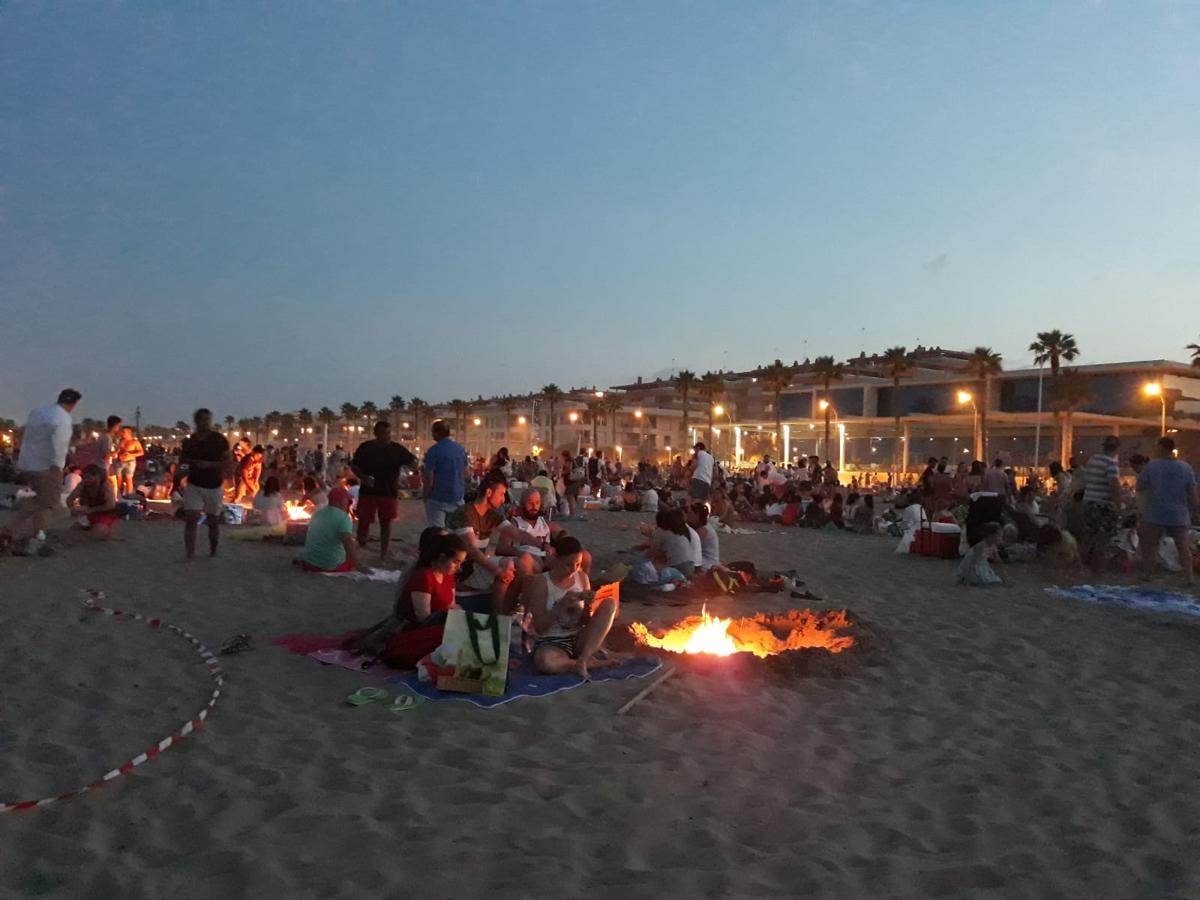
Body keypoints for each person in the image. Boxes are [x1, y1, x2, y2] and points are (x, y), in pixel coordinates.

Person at [523, 536, 619, 679]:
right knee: (545, 662)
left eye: (578, 564)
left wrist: (587, 606)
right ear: (556, 559)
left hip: (578, 638)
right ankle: (586, 664)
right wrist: (560, 607)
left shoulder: (582, 578)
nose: (573, 569)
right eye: (568, 565)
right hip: (552, 642)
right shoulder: (542, 583)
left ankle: (584, 658)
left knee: (610, 603)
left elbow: (584, 622)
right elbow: (539, 628)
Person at [5, 388, 81, 556]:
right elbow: (59, 444)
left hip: (28, 464)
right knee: (50, 502)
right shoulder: (62, 418)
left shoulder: (38, 412)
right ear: (73, 404)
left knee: (41, 500)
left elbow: (27, 436)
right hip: (46, 467)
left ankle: (38, 536)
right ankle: (10, 530)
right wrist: (57, 465)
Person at [351, 420, 418, 560]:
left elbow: (413, 461)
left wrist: (410, 467)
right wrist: (363, 478)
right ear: (375, 433)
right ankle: (361, 547)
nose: (385, 436)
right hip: (368, 491)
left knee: (386, 524)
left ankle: (384, 553)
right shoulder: (365, 447)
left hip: (388, 491)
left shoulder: (397, 449)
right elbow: (355, 466)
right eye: (382, 433)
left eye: (387, 433)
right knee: (363, 522)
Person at [445, 471, 518, 598]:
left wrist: (543, 545)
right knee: (507, 566)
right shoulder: (466, 513)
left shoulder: (491, 514)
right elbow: (472, 551)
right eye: (501, 494)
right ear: (489, 493)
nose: (503, 499)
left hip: (477, 564)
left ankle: (509, 608)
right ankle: (498, 613)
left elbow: (516, 533)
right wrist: (497, 571)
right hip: (463, 568)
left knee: (521, 564)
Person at [1137, 437, 1197, 585]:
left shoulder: (1151, 466)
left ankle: (1148, 574)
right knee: (1182, 545)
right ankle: (1189, 576)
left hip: (1155, 511)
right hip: (1179, 512)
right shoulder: (1185, 467)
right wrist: (1195, 510)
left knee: (1151, 545)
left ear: (1161, 447)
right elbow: (1192, 492)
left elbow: (1140, 486)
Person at [177, 409, 232, 560]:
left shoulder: (219, 440)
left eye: (208, 419)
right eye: (202, 419)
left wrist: (210, 465)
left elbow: (228, 462)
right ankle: (189, 553)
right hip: (194, 484)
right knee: (191, 519)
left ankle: (213, 550)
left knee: (213, 521)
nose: (205, 422)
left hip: (214, 485)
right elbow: (183, 463)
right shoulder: (190, 442)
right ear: (196, 421)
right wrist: (178, 480)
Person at [299, 486, 369, 573]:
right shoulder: (344, 518)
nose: (348, 503)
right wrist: (358, 566)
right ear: (341, 500)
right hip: (329, 565)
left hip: (309, 563)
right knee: (353, 552)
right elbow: (348, 545)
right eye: (347, 500)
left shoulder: (317, 513)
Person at [1079, 435, 1122, 573]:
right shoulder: (1111, 464)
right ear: (1117, 449)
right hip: (1103, 506)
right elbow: (1114, 487)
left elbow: (1086, 480)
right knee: (1103, 540)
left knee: (1087, 538)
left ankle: (1078, 567)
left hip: (1088, 502)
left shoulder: (1093, 460)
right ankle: (1097, 570)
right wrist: (1118, 506)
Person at [422, 420, 468, 527]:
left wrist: (425, 495)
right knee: (457, 532)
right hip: (457, 498)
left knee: (437, 531)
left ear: (436, 433)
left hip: (438, 499)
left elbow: (429, 478)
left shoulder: (433, 451)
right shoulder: (460, 449)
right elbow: (466, 473)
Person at [65, 463, 119, 540]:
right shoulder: (83, 485)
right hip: (89, 515)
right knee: (72, 532)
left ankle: (105, 530)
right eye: (84, 477)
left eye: (88, 477)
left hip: (105, 514)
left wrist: (90, 510)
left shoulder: (105, 485)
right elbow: (69, 500)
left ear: (96, 476)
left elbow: (111, 505)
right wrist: (75, 509)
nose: (86, 480)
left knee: (95, 535)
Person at [957, 521, 1004, 586]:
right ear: (991, 535)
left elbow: (998, 562)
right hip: (972, 569)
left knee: (996, 580)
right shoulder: (981, 546)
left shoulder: (992, 546)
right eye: (998, 535)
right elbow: (976, 564)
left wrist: (1003, 574)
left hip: (981, 567)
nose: (1000, 537)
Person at [115, 426, 145, 497]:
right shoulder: (121, 441)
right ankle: (120, 494)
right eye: (122, 432)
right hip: (120, 461)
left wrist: (131, 454)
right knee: (119, 478)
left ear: (129, 433)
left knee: (129, 478)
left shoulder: (135, 442)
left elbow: (141, 452)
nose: (122, 433)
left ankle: (129, 494)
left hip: (130, 462)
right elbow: (118, 450)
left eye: (124, 432)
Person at [96, 415, 123, 494]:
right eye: (118, 426)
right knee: (107, 486)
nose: (119, 428)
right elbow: (106, 454)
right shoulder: (106, 437)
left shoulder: (105, 436)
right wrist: (117, 450)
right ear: (114, 426)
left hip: (106, 465)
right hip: (103, 465)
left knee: (112, 483)